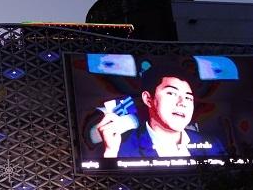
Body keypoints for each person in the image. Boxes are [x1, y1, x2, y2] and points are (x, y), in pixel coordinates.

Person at [96, 62, 224, 158]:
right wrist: (110, 153)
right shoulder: (120, 146)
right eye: (171, 93)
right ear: (148, 99)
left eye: (188, 98)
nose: (182, 103)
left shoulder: (212, 144)